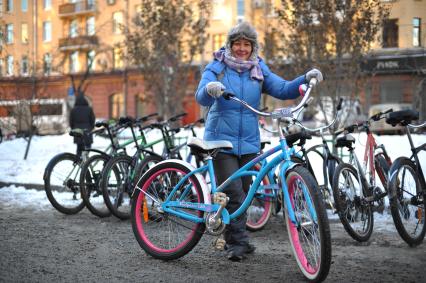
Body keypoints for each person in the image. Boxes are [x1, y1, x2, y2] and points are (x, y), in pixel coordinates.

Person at [194, 21, 323, 261]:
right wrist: (210, 88)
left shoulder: (258, 69)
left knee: (245, 192)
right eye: (237, 44)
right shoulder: (218, 66)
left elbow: (282, 88)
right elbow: (201, 96)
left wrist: (305, 78)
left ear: (253, 47)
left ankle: (234, 237)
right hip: (221, 141)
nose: (242, 48)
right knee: (234, 193)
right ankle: (237, 243)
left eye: (247, 44)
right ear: (230, 45)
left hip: (250, 142)